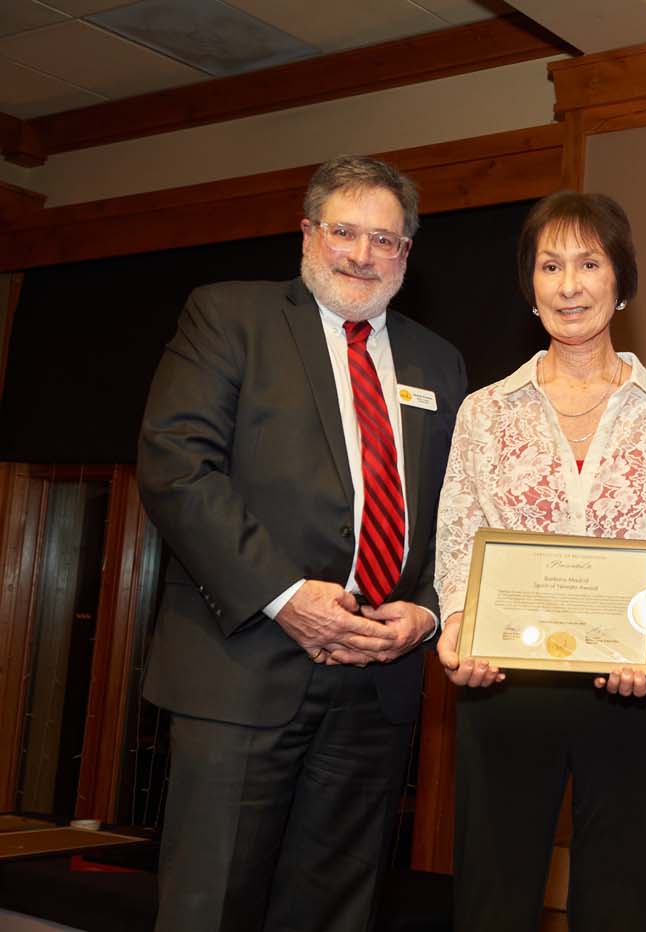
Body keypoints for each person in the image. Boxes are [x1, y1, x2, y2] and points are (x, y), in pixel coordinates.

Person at [137, 155, 468, 931]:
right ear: (307, 233)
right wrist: (286, 596)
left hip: (375, 687)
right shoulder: (228, 317)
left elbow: (462, 508)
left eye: (384, 239)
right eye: (344, 231)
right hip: (241, 667)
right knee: (209, 909)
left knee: (333, 915)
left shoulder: (438, 362)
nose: (361, 254)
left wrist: (425, 612)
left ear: (407, 254)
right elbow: (175, 465)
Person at [434, 191, 646, 932]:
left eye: (589, 263)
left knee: (623, 893)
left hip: (635, 690)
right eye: (550, 266)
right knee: (494, 890)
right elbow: (458, 534)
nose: (570, 284)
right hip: (507, 679)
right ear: (530, 283)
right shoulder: (485, 411)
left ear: (622, 281)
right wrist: (460, 624)